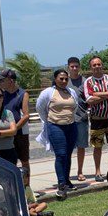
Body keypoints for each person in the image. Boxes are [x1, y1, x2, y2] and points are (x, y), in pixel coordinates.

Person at [36, 69, 80, 199]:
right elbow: (40, 108)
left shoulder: (71, 92)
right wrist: (50, 120)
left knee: (68, 155)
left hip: (71, 126)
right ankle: (61, 183)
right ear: (55, 79)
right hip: (55, 126)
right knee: (60, 154)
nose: (64, 81)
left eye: (66, 79)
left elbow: (75, 106)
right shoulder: (48, 93)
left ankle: (67, 180)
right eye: (61, 79)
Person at [83, 57, 108, 182]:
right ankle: (98, 171)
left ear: (102, 65)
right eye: (94, 65)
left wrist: (98, 94)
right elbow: (89, 100)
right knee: (97, 146)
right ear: (91, 67)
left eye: (99, 64)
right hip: (96, 119)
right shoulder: (88, 81)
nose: (97, 66)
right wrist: (107, 95)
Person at [0, 69, 31, 184]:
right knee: (8, 161)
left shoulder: (23, 94)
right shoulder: (1, 95)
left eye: (2, 80)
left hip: (20, 132)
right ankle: (11, 187)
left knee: (24, 160)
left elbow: (26, 115)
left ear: (11, 81)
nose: (0, 82)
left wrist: (14, 129)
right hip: (6, 133)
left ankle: (26, 187)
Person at [67, 57, 90, 183]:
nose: (74, 68)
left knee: (81, 146)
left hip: (81, 118)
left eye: (76, 66)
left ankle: (80, 171)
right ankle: (67, 172)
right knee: (68, 148)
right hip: (67, 120)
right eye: (72, 66)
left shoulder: (85, 81)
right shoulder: (64, 81)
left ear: (79, 67)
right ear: (68, 67)